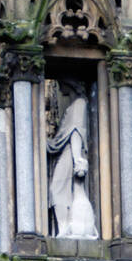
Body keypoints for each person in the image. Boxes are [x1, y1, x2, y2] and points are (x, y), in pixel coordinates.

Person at [47, 92, 98, 240]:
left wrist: (77, 159)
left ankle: (64, 228)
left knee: (56, 190)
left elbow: (77, 131)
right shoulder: (72, 106)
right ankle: (64, 228)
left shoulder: (79, 103)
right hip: (66, 153)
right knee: (59, 191)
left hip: (71, 154)